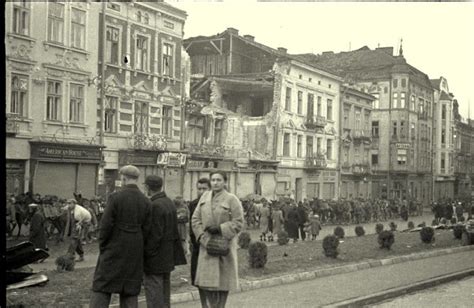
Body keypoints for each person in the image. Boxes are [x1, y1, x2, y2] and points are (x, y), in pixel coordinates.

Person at [90, 165, 152, 308]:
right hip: (135, 248)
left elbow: (105, 226)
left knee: (103, 285)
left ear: (123, 178)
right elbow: (147, 229)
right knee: (130, 290)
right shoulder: (146, 201)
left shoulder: (115, 198)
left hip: (114, 246)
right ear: (137, 179)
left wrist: (104, 246)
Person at [192, 171, 244, 308]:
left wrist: (221, 228)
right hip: (207, 247)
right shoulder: (204, 197)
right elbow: (195, 219)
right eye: (213, 180)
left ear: (225, 182)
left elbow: (239, 222)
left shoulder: (232, 199)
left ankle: (220, 306)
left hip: (224, 247)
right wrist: (203, 238)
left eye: (219, 180)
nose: (215, 183)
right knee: (206, 282)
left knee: (223, 283)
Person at [143, 175, 187, 308]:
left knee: (154, 294)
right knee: (165, 293)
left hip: (155, 258)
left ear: (147, 187)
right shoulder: (168, 202)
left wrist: (146, 253)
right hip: (167, 256)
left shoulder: (154, 205)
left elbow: (155, 234)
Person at [188, 178, 211, 307]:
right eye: (199, 188)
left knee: (212, 280)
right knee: (199, 280)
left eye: (204, 189)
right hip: (198, 248)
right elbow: (192, 226)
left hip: (212, 248)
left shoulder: (215, 204)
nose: (201, 191)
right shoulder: (193, 204)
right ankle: (204, 305)